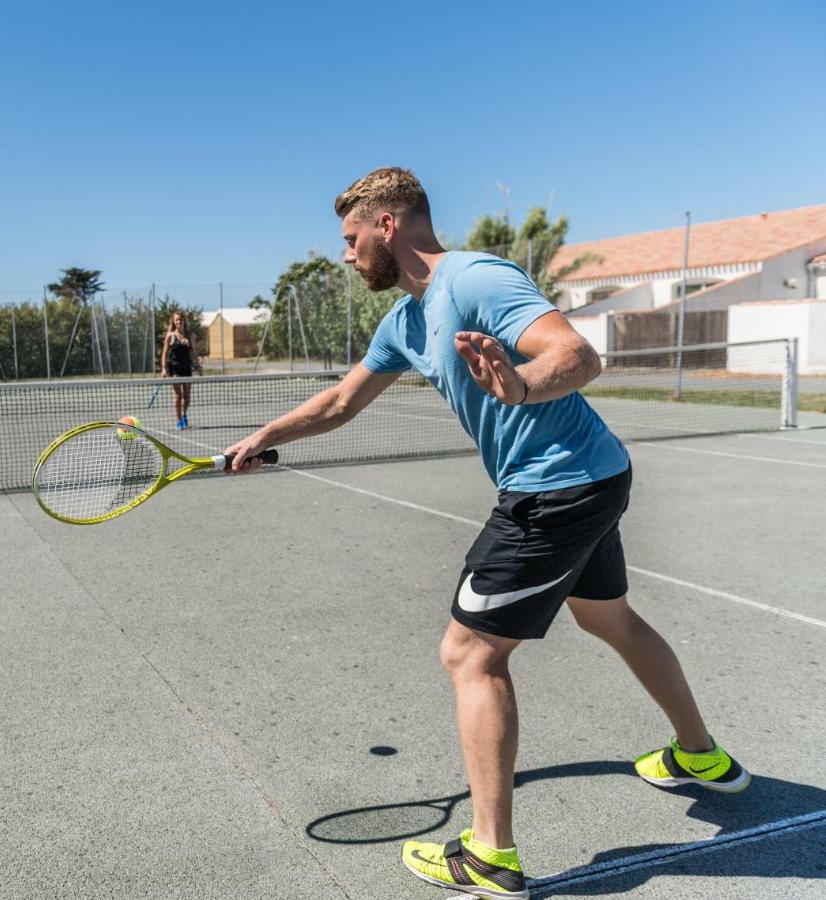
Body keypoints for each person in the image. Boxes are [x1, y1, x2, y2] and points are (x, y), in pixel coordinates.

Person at [223, 167, 749, 898]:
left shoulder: (476, 279)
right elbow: (343, 401)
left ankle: (491, 856)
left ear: (388, 225)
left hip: (554, 490)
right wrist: (262, 437)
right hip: (589, 476)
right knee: (612, 620)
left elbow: (578, 355)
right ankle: (702, 757)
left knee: (469, 654)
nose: (345, 256)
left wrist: (525, 383)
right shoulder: (405, 322)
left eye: (350, 239)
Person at [161, 310, 200, 429]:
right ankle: (178, 420)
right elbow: (164, 353)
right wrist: (163, 369)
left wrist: (198, 363)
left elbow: (193, 352)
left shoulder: (190, 336)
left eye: (181, 319)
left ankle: (184, 415)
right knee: (178, 395)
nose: (179, 321)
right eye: (176, 319)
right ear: (173, 321)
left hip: (187, 368)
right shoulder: (170, 335)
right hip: (175, 368)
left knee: (187, 396)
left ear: (184, 321)